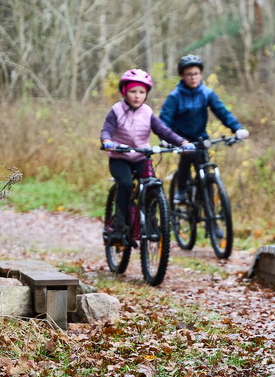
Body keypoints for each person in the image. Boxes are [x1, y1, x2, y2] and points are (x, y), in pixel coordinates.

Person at [100, 69, 192, 241]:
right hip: (120, 158)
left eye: (141, 92)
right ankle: (119, 226)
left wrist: (182, 142)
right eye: (133, 91)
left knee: (152, 185)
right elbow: (107, 129)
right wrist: (107, 141)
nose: (137, 96)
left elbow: (163, 131)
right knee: (126, 184)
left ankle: (152, 223)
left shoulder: (147, 112)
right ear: (124, 92)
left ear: (146, 94)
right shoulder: (116, 110)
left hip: (141, 157)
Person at [159, 55, 249, 203]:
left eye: (196, 74)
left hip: (201, 138)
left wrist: (237, 128)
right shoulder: (175, 97)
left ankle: (210, 220)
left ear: (200, 74)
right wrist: (165, 138)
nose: (193, 77)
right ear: (182, 76)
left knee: (206, 174)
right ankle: (181, 191)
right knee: (186, 160)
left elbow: (222, 112)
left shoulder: (207, 93)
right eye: (189, 74)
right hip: (181, 139)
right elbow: (165, 119)